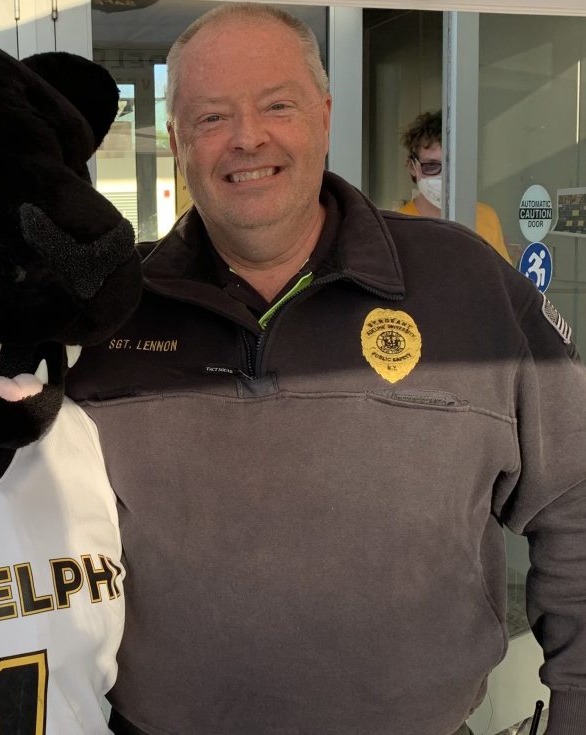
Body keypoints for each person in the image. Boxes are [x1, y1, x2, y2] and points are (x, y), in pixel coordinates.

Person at [66, 4, 586, 734]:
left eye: (277, 104)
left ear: (325, 116)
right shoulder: (109, 314)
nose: (248, 138)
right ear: (179, 141)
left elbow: (576, 502)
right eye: (211, 118)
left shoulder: (467, 284)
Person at [398, 110, 512, 263]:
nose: (444, 176)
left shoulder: (486, 217)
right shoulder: (396, 227)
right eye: (432, 166)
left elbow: (501, 282)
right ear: (411, 166)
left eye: (452, 166)